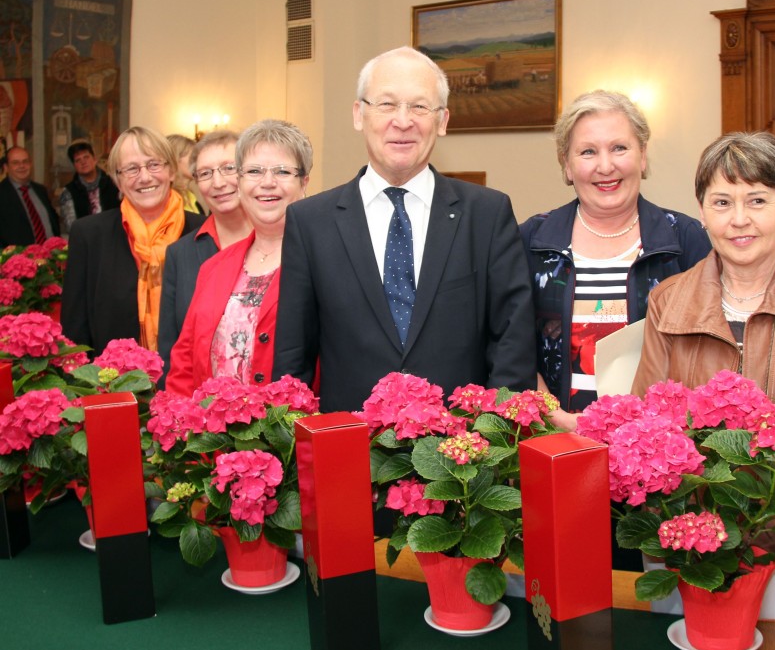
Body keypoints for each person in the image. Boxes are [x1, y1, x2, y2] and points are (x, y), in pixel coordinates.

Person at [631, 132, 775, 579]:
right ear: (702, 211)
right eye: (722, 203)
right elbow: (649, 425)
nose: (739, 220)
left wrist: (752, 539)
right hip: (687, 544)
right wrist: (697, 534)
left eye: (757, 201)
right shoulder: (668, 301)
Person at [273, 46, 535, 413]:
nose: (403, 121)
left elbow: (513, 339)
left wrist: (491, 442)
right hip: (349, 451)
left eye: (419, 107)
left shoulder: (487, 214)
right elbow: (292, 360)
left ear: (442, 120)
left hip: (462, 453)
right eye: (386, 104)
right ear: (358, 114)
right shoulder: (310, 221)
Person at [520, 90, 710, 430]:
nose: (605, 166)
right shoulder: (531, 242)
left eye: (619, 148)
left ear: (643, 156)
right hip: (555, 437)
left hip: (662, 443)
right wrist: (556, 418)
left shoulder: (685, 239)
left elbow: (710, 350)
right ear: (566, 164)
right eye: (588, 151)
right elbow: (508, 343)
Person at [165, 120, 309, 394]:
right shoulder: (213, 267)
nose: (267, 183)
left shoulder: (323, 261)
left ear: (303, 183)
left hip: (289, 431)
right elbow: (184, 363)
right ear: (241, 184)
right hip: (211, 433)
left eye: (282, 171)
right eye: (254, 171)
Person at [61, 127, 204, 353]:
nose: (145, 177)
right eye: (131, 169)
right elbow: (75, 330)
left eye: (154, 164)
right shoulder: (89, 235)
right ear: (117, 180)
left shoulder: (203, 232)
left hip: (191, 383)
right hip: (112, 382)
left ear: (171, 172)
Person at [158, 130, 253, 383]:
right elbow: (171, 347)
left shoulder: (282, 244)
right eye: (205, 173)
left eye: (228, 168)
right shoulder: (180, 254)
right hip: (201, 406)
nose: (218, 182)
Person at [0, 146, 60, 246]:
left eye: (25, 161)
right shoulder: (2, 194)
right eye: (15, 163)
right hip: (18, 259)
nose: (22, 166)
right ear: (6, 167)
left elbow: (53, 222)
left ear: (30, 164)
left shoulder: (40, 190)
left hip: (51, 257)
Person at [58, 140, 121, 233]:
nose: (83, 162)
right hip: (86, 241)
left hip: (115, 236)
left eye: (86, 157)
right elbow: (72, 227)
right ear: (74, 165)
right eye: (78, 160)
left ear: (94, 159)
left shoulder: (114, 183)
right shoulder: (68, 192)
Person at [167, 134, 204, 215]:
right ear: (175, 159)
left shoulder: (191, 197)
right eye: (192, 157)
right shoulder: (167, 200)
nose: (198, 162)